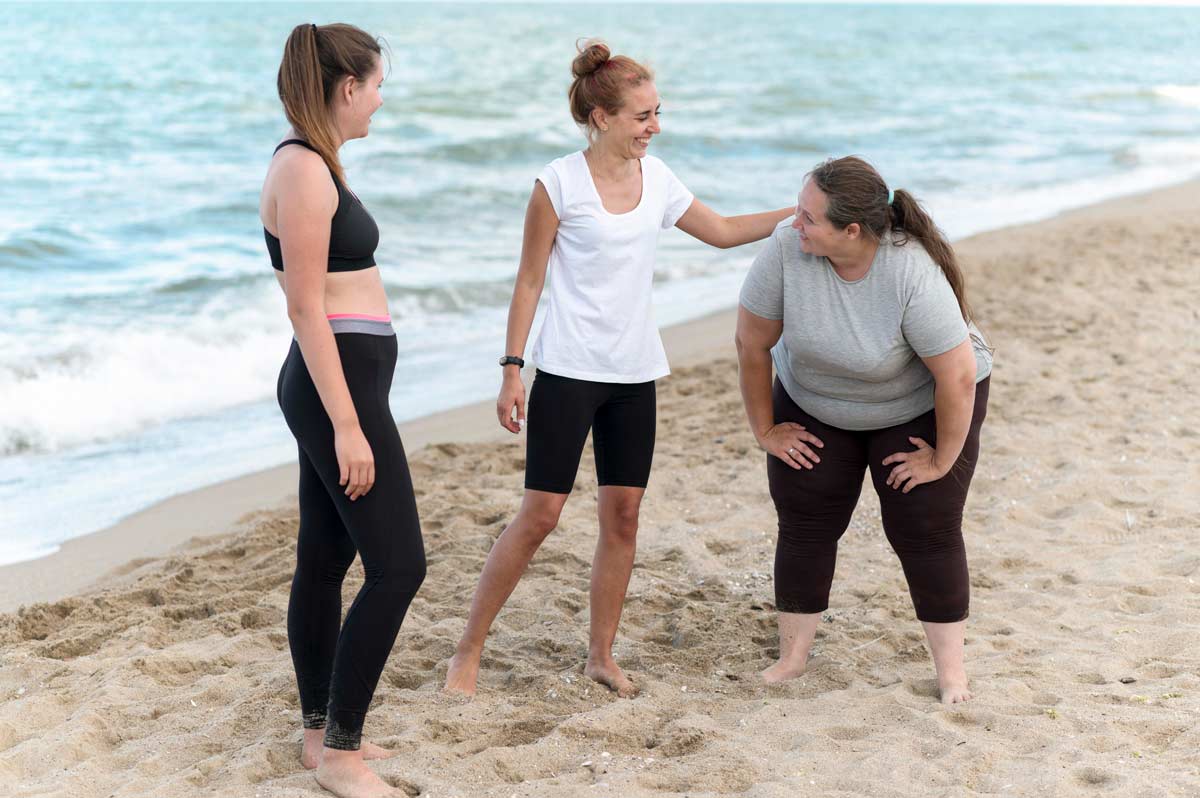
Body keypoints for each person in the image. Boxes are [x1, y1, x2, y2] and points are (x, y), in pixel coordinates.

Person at [443, 40, 794, 698]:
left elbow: (718, 230)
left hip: (634, 375)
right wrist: (512, 369)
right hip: (569, 371)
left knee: (623, 516)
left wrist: (796, 217)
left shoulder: (657, 181)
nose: (654, 127)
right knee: (541, 514)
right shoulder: (558, 183)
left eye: (657, 113)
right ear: (601, 117)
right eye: (642, 116)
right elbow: (528, 282)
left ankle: (600, 656)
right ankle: (467, 650)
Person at [735, 155, 993, 704]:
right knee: (806, 510)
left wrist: (943, 460)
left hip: (921, 400)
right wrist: (766, 429)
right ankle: (792, 658)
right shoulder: (787, 247)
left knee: (923, 521)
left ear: (851, 230)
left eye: (808, 217)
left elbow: (958, 375)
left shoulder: (909, 271)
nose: (793, 223)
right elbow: (751, 343)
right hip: (816, 397)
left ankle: (951, 673)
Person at [261, 22, 424, 798]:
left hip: (345, 381)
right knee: (400, 566)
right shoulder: (301, 170)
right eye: (377, 85)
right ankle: (341, 757)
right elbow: (303, 309)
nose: (381, 100)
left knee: (326, 561)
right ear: (347, 86)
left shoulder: (318, 164)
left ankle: (318, 733)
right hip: (336, 389)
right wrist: (350, 424)